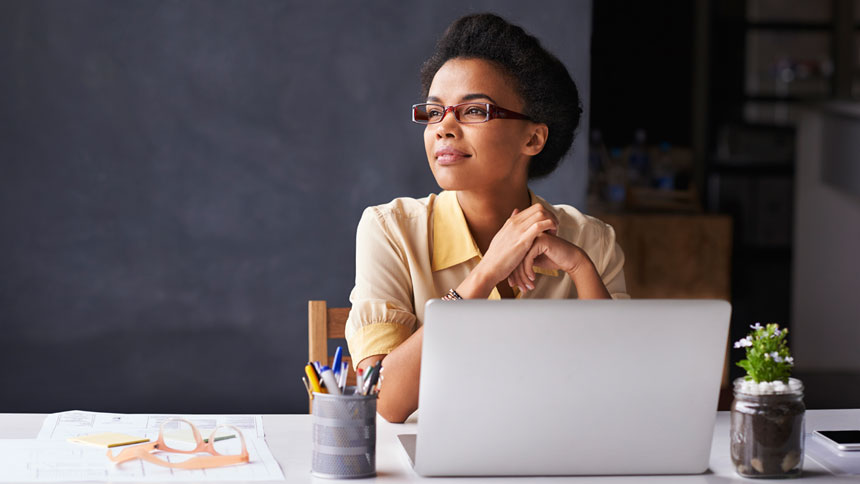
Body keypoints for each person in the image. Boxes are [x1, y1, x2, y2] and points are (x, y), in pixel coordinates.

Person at [345, 13, 629, 423]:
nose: (444, 127)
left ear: (532, 138)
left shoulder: (591, 239)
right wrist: (485, 274)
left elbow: (621, 386)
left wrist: (581, 267)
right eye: (434, 111)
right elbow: (385, 401)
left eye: (474, 111)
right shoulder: (390, 229)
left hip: (560, 458)